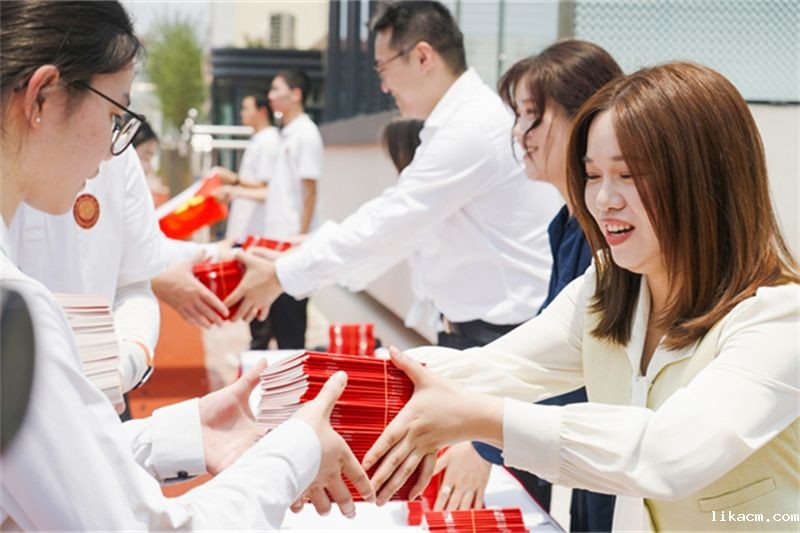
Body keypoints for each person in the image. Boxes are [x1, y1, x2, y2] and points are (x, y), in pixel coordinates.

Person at [361, 62, 799, 531]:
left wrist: (484, 421)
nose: (604, 199)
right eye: (592, 175)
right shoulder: (608, 288)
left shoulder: (779, 319)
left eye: (628, 174)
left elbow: (666, 455)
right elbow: (500, 366)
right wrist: (344, 386)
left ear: (705, 180)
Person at [0, 1, 372, 529]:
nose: (112, 152)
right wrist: (299, 449)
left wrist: (182, 433)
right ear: (42, 97)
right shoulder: (16, 311)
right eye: (113, 116)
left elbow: (53, 467)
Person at [225, 1, 560, 356]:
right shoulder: (457, 123)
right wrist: (298, 252)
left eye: (382, 67)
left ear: (422, 57)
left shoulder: (472, 128)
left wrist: (283, 273)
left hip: (502, 338)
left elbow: (390, 222)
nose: (383, 86)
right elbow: (392, 218)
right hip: (478, 331)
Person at [447, 41, 620, 528]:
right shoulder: (569, 225)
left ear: (585, 118)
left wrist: (481, 435)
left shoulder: (608, 236)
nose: (519, 133)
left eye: (531, 115)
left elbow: (580, 376)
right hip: (590, 463)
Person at [244, 70, 324, 350]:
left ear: (296, 94)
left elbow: (310, 191)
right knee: (276, 322)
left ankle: (296, 378)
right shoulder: (286, 134)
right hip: (277, 244)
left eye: (277, 89)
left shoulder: (306, 134)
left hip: (291, 245)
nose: (271, 96)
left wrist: (299, 239)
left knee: (291, 330)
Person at [212, 94, 280, 241]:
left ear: (262, 111)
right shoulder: (260, 139)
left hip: (256, 229)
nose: (242, 113)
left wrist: (233, 180)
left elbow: (265, 187)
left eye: (246, 108)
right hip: (247, 227)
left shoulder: (269, 141)